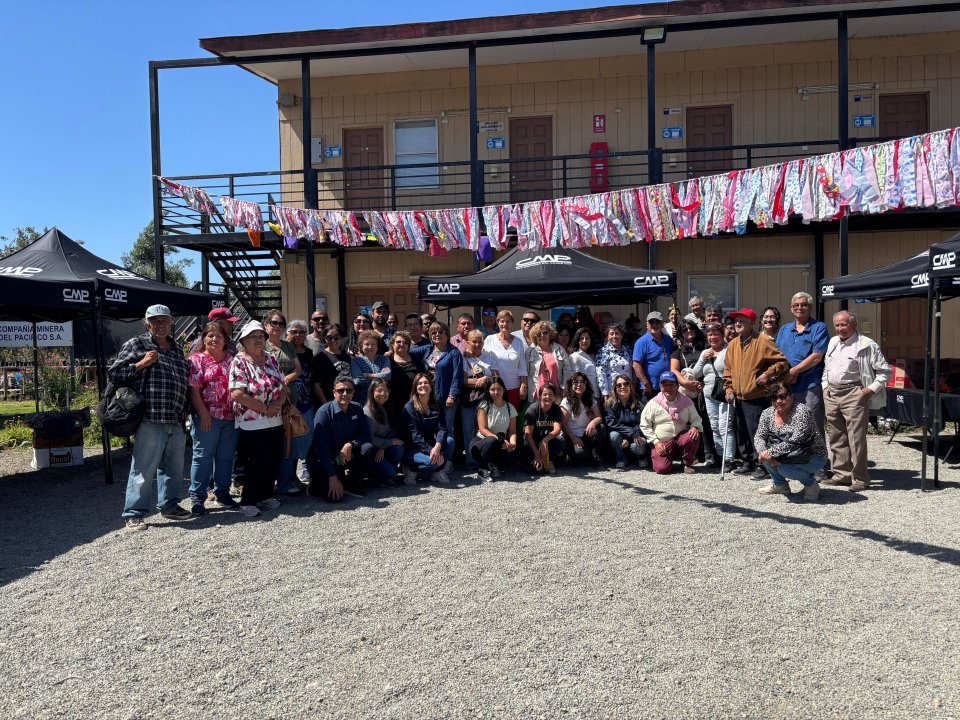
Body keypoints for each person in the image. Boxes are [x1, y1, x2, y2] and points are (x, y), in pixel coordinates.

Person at [111, 304, 193, 531]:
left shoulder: (176, 348)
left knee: (173, 469)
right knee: (143, 469)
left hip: (175, 418)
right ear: (147, 324)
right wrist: (141, 364)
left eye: (164, 320)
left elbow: (183, 380)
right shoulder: (136, 344)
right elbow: (114, 373)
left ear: (171, 323)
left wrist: (186, 407)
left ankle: (170, 506)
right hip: (150, 417)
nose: (160, 324)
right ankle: (134, 513)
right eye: (155, 321)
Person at [821, 311, 890, 492]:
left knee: (856, 438)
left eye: (843, 324)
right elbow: (827, 367)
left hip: (854, 392)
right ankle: (842, 475)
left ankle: (860, 479)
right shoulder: (833, 342)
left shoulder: (867, 344)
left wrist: (869, 390)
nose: (840, 329)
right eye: (837, 325)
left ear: (854, 325)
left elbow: (884, 372)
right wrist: (825, 386)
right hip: (832, 392)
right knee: (836, 436)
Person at [722, 308, 789, 478]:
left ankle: (764, 466)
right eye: (736, 321)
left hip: (756, 396)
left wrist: (767, 374)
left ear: (751, 323)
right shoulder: (733, 344)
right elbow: (727, 370)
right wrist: (728, 388)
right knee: (742, 431)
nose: (737, 323)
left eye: (742, 321)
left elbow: (782, 362)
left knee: (757, 433)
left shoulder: (762, 340)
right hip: (738, 396)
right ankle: (748, 462)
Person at [229, 321, 286, 517]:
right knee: (255, 462)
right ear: (244, 341)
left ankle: (266, 495)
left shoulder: (271, 358)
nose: (258, 339)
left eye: (261, 336)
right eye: (253, 336)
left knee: (272, 458)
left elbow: (282, 386)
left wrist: (276, 406)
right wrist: (265, 409)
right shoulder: (239, 361)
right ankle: (248, 501)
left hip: (274, 418)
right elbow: (237, 393)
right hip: (251, 421)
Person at [187, 322, 239, 515]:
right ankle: (197, 497)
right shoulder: (196, 359)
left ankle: (222, 493)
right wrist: (203, 414)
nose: (214, 339)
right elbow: (193, 390)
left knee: (226, 457)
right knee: (202, 457)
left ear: (225, 340)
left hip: (231, 417)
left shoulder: (232, 358)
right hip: (207, 417)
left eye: (219, 336)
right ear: (203, 339)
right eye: (210, 335)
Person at [755, 380, 828, 500]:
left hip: (812, 454)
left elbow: (797, 440)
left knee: (785, 469)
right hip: (785, 454)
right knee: (764, 456)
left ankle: (811, 484)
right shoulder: (767, 413)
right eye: (774, 398)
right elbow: (759, 436)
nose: (778, 401)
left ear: (791, 395)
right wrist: (763, 452)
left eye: (782, 396)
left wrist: (771, 453)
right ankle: (780, 485)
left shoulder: (802, 411)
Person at [307, 376, 375, 501]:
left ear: (353, 392)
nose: (345, 394)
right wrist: (332, 477)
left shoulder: (357, 408)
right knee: (334, 499)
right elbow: (321, 448)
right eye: (341, 390)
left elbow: (366, 434)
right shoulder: (324, 413)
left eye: (349, 390)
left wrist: (350, 444)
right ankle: (317, 482)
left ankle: (351, 484)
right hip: (327, 458)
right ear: (334, 392)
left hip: (346, 454)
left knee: (368, 448)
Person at [775, 292, 829, 446]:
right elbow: (777, 355)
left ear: (810, 307)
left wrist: (793, 372)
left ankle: (818, 458)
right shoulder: (784, 329)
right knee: (789, 424)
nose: (800, 308)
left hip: (810, 385)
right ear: (791, 308)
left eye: (804, 305)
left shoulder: (819, 327)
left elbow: (817, 356)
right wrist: (784, 375)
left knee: (812, 424)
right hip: (787, 386)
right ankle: (795, 457)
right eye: (796, 305)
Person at [640, 371, 703, 475]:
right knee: (662, 469)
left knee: (692, 436)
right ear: (660, 387)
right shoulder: (653, 403)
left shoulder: (687, 402)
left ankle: (687, 463)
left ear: (677, 386)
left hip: (680, 439)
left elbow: (697, 419)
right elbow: (644, 425)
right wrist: (656, 442)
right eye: (665, 385)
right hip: (662, 443)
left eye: (671, 384)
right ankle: (665, 459)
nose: (668, 388)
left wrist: (695, 427)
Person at [691, 323, 734, 468]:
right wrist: (703, 358)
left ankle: (729, 459)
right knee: (714, 426)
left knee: (725, 427)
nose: (712, 337)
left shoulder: (728, 350)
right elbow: (696, 373)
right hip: (709, 394)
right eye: (710, 334)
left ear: (722, 336)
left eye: (716, 334)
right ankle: (720, 457)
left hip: (725, 393)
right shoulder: (705, 352)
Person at [670, 319, 712, 464]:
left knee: (705, 422)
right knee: (687, 422)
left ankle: (708, 454)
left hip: (704, 388)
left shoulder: (705, 346)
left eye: (691, 328)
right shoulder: (678, 351)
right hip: (686, 392)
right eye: (685, 330)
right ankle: (691, 453)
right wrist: (685, 382)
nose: (689, 332)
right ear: (681, 333)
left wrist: (702, 383)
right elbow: (674, 370)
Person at [401, 373, 455, 484]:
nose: (423, 385)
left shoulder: (437, 404)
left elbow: (442, 428)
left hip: (431, 445)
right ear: (415, 388)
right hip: (413, 448)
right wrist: (433, 451)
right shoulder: (409, 407)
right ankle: (410, 469)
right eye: (419, 383)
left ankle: (436, 472)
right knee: (431, 462)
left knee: (450, 441)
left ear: (431, 387)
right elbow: (415, 435)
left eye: (426, 383)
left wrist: (438, 446)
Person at [411, 321, 463, 434]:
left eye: (440, 332)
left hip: (446, 397)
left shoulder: (453, 352)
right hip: (429, 397)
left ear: (447, 334)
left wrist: (452, 395)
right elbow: (408, 351)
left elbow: (457, 376)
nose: (437, 334)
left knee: (446, 428)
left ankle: (448, 446)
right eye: (433, 333)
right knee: (432, 428)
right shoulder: (428, 349)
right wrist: (391, 352)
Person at [281, 319, 315, 494]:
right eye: (294, 331)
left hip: (306, 402)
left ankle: (298, 476)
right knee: (289, 443)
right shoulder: (283, 351)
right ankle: (286, 480)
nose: (298, 335)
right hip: (288, 403)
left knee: (303, 441)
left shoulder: (309, 353)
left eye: (301, 332)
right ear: (287, 333)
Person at [460, 329, 498, 469]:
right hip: (469, 399)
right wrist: (479, 382)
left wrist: (486, 378)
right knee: (468, 430)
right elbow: (464, 380)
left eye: (480, 341)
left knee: (487, 428)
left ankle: (487, 460)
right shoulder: (464, 358)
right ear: (467, 342)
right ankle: (471, 462)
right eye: (474, 342)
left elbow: (495, 375)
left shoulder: (489, 356)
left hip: (486, 399)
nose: (477, 344)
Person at [469, 376, 518, 480]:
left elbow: (512, 431)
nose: (496, 392)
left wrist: (513, 443)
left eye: (499, 389)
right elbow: (483, 429)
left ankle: (493, 464)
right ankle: (482, 469)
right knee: (492, 441)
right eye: (493, 389)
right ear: (488, 391)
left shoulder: (510, 407)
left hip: (500, 442)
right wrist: (500, 440)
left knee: (513, 455)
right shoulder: (484, 406)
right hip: (481, 443)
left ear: (504, 390)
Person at [483, 310, 528, 410]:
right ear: (498, 322)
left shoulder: (518, 342)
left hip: (514, 388)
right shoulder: (490, 339)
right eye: (502, 321)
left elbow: (522, 367)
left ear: (512, 323)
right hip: (495, 389)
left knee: (512, 417)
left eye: (508, 321)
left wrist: (523, 386)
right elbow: (482, 359)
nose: (505, 324)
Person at [363, 378, 405, 485]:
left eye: (386, 391)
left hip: (383, 446)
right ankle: (374, 472)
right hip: (373, 449)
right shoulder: (367, 412)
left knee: (399, 447)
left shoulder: (387, 407)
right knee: (391, 472)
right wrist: (386, 444)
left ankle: (386, 472)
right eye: (379, 390)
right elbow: (369, 438)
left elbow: (392, 429)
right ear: (372, 392)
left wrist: (384, 446)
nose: (383, 394)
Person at [560, 372, 606, 466]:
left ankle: (595, 454)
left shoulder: (590, 399)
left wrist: (593, 423)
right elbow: (563, 424)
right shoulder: (566, 401)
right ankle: (585, 455)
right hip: (573, 436)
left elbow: (599, 417)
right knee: (581, 454)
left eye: (582, 382)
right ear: (571, 384)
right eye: (576, 382)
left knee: (602, 428)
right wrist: (574, 438)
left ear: (586, 384)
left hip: (587, 433)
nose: (579, 384)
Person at [604, 374, 648, 469]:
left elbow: (645, 422)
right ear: (615, 388)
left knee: (639, 446)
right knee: (613, 435)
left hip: (637, 435)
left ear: (630, 386)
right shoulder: (610, 404)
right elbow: (612, 423)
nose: (622, 387)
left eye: (626, 384)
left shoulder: (640, 401)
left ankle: (641, 457)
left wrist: (633, 435)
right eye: (619, 385)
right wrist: (630, 434)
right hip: (622, 438)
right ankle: (621, 458)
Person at [523, 383, 564, 475]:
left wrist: (545, 440)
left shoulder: (556, 409)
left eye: (550, 394)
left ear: (554, 397)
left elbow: (557, 429)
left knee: (560, 440)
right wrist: (537, 455)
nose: (548, 397)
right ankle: (536, 459)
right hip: (532, 443)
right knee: (536, 470)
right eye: (545, 394)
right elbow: (528, 435)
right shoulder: (532, 409)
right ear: (540, 396)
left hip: (546, 441)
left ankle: (550, 461)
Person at [526, 321, 572, 402]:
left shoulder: (559, 349)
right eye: (539, 334)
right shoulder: (530, 351)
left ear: (550, 334)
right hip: (537, 396)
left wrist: (564, 388)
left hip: (556, 395)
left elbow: (567, 370)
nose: (542, 336)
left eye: (545, 333)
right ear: (535, 336)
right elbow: (525, 372)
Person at [633, 311, 674, 398]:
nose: (654, 325)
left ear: (662, 324)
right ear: (647, 325)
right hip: (650, 389)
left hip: (667, 387)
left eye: (657, 322)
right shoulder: (641, 342)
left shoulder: (669, 340)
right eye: (651, 322)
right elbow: (636, 365)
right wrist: (646, 384)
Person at [310, 323, 352, 410]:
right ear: (324, 339)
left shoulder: (347, 357)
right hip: (329, 403)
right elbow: (316, 385)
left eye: (336, 337)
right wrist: (326, 405)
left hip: (347, 403)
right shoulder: (319, 358)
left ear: (342, 338)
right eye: (329, 337)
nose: (333, 340)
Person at [351, 329, 391, 407]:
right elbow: (358, 381)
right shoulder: (356, 361)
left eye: (373, 344)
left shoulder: (384, 359)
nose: (370, 347)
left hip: (382, 401)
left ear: (377, 346)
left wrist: (367, 375)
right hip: (362, 401)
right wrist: (380, 378)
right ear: (361, 346)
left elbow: (387, 376)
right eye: (367, 344)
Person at [596, 322, 633, 402]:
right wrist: (605, 393)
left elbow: (631, 370)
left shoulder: (627, 350)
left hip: (627, 391)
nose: (614, 336)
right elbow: (600, 373)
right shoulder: (603, 352)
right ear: (607, 336)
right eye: (611, 334)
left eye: (617, 333)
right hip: (612, 393)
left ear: (622, 335)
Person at [387, 330, 421, 419]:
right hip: (393, 405)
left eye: (405, 342)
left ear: (408, 346)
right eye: (398, 342)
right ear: (392, 344)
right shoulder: (387, 360)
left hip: (414, 403)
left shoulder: (416, 360)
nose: (402, 344)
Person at [569, 327, 600, 398]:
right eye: (581, 338)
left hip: (596, 394)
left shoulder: (593, 356)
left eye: (587, 338)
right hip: (583, 396)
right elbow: (576, 379)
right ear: (577, 340)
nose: (584, 340)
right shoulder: (574, 357)